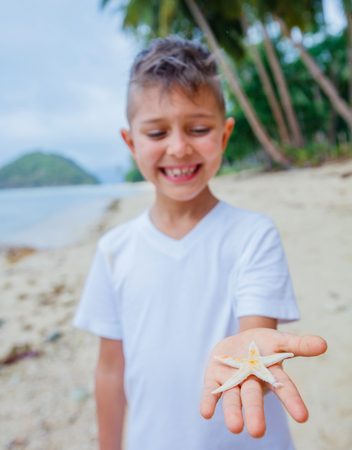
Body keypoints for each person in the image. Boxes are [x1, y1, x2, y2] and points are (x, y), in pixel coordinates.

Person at [73, 36, 327, 450]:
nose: (178, 147)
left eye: (198, 128)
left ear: (225, 134)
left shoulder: (253, 235)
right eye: (157, 132)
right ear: (130, 141)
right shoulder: (113, 250)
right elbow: (109, 370)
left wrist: (253, 364)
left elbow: (255, 341)